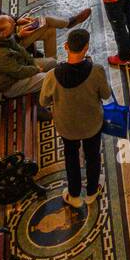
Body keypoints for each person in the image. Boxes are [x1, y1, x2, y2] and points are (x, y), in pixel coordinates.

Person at [39, 27, 111, 211]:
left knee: (71, 157)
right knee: (93, 155)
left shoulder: (52, 76)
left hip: (67, 126)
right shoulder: (96, 71)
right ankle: (92, 191)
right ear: (86, 48)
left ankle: (74, 194)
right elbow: (105, 94)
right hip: (92, 124)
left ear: (66, 46)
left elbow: (43, 100)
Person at [0, 15, 56, 118]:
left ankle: (38, 89)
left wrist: (33, 63)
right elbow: (18, 72)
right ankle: (40, 108)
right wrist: (36, 70)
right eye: (12, 27)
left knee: (52, 62)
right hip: (11, 85)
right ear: (3, 33)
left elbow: (20, 49)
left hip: (20, 66)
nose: (14, 27)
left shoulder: (3, 37)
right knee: (48, 77)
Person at [0, 0, 90, 59]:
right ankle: (69, 23)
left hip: (14, 32)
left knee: (50, 31)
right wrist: (19, 36)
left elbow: (5, 18)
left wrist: (17, 21)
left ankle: (51, 63)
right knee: (46, 21)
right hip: (13, 45)